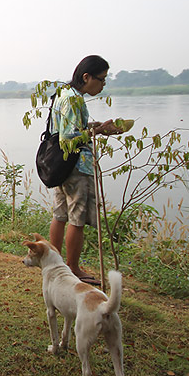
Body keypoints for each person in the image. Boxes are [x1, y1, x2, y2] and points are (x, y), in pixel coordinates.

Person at [48, 55, 121, 285]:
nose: (102, 85)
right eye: (101, 79)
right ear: (86, 77)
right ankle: (72, 268)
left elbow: (68, 128)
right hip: (76, 165)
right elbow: (69, 136)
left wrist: (96, 127)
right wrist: (96, 132)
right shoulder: (74, 100)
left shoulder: (63, 94)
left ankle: (54, 263)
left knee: (60, 214)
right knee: (76, 218)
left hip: (61, 164)